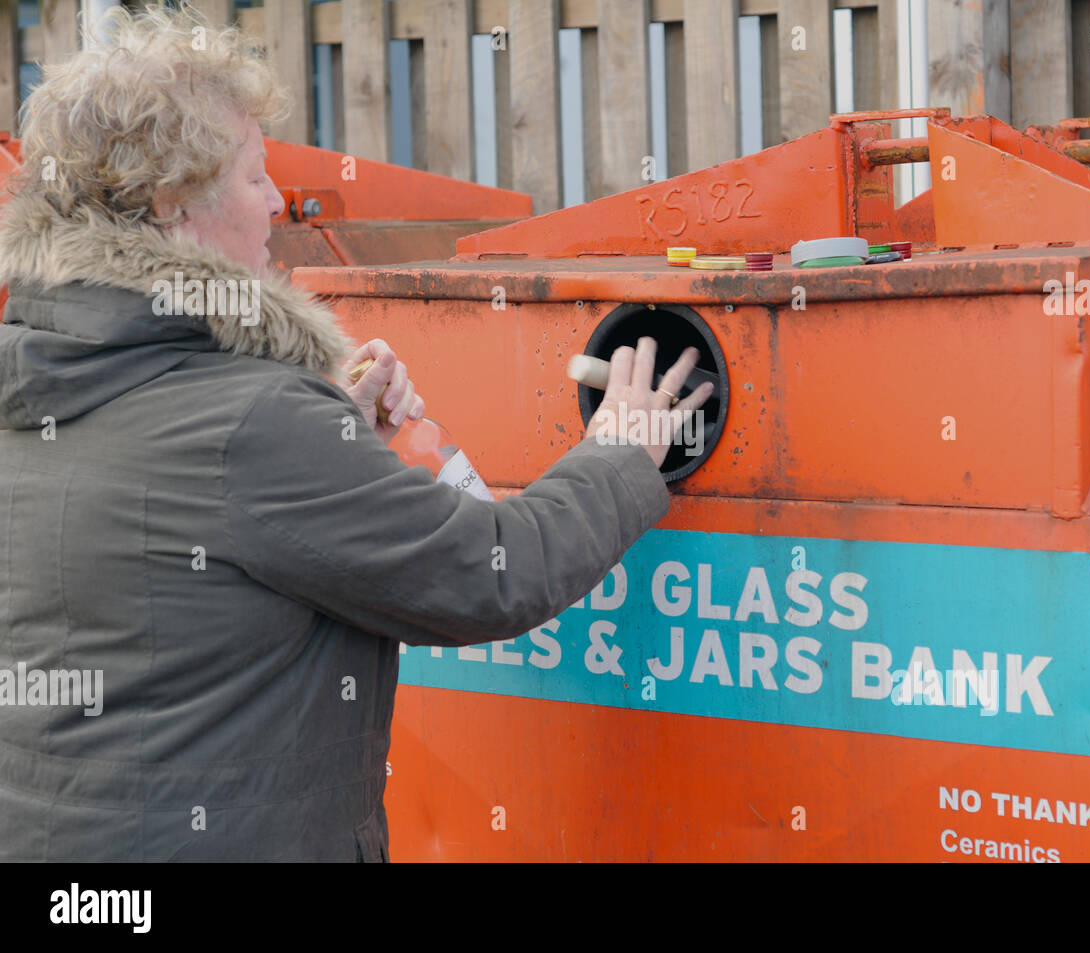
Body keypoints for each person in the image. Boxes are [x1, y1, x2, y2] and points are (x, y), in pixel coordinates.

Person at [0, 5, 711, 861]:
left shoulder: (38, 379)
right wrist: (625, 447)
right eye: (254, 176)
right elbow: (494, 573)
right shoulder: (252, 424)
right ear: (173, 204)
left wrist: (332, 435)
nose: (275, 205)